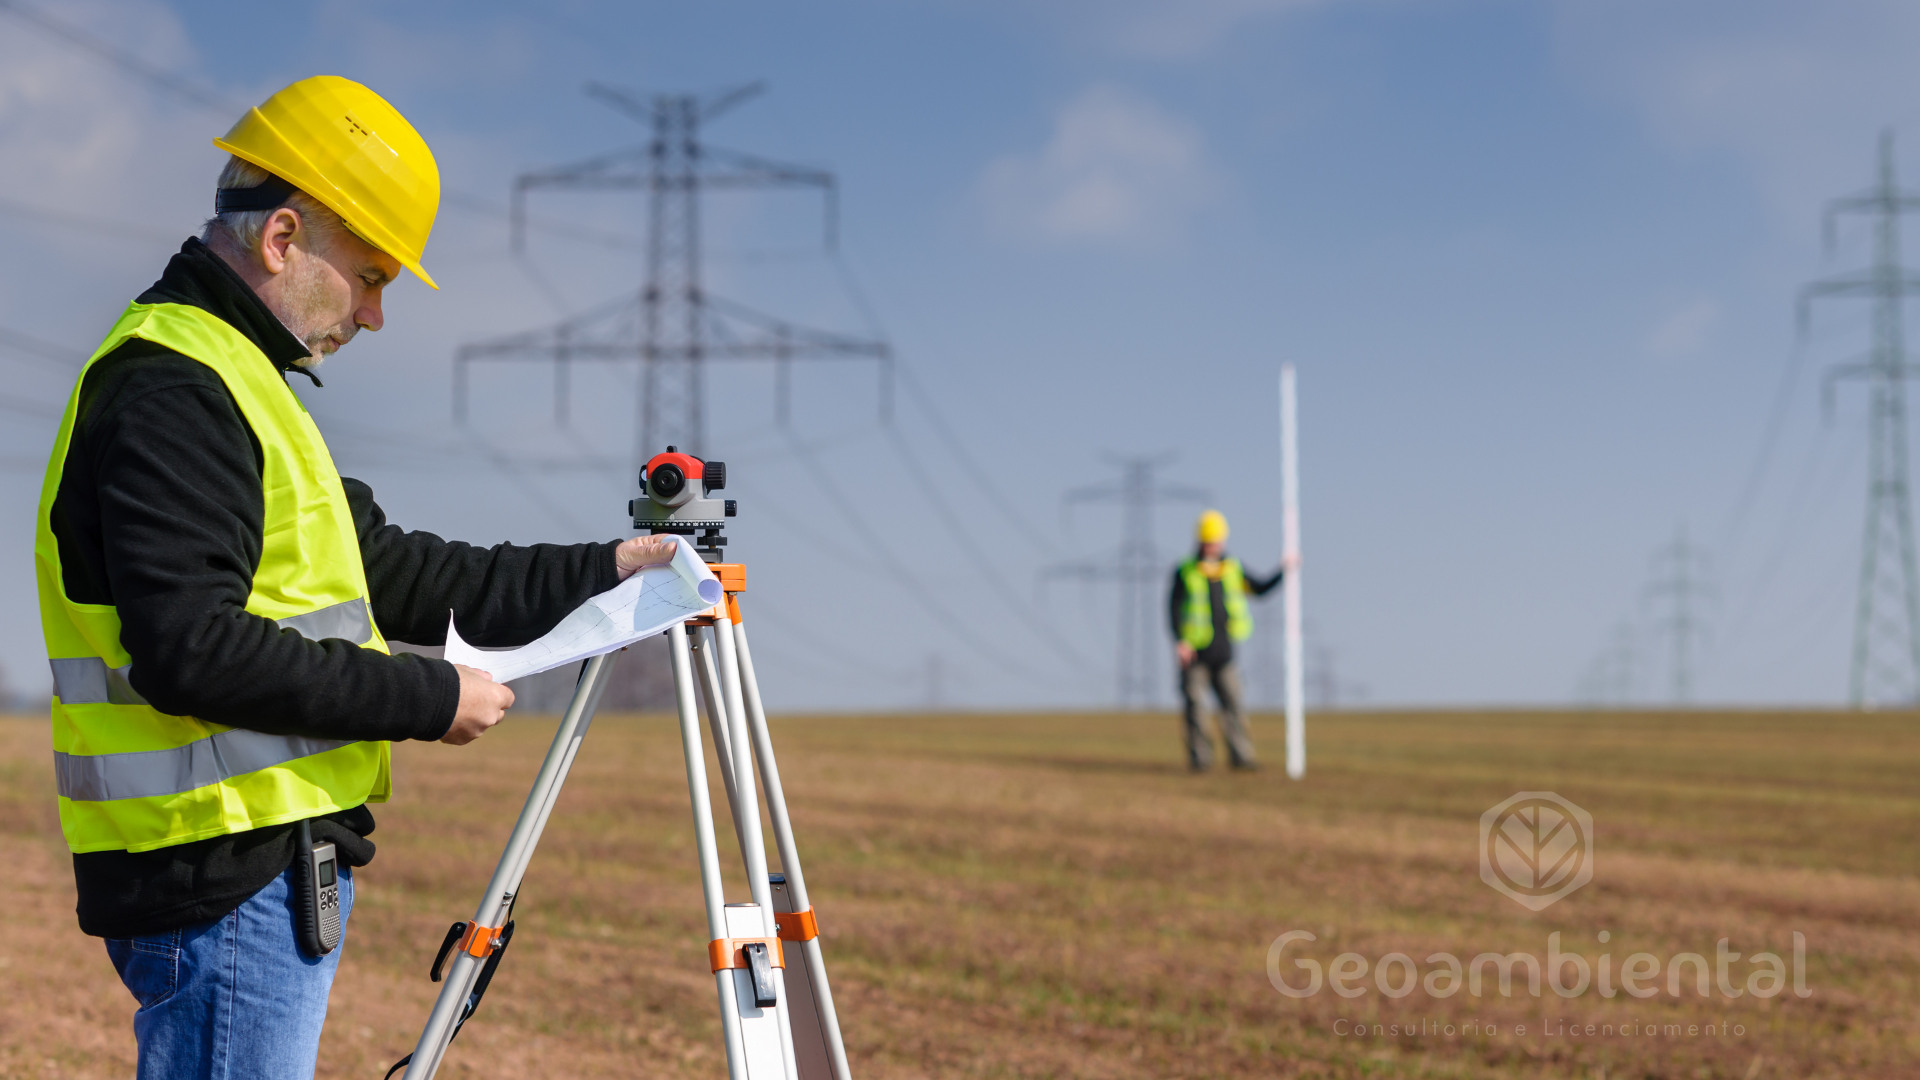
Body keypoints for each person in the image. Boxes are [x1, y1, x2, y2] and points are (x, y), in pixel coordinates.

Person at [34, 76, 679, 1077]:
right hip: (222, 865)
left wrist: (608, 569)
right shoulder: (176, 389)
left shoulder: (242, 384)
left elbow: (400, 572)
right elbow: (191, 651)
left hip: (253, 862)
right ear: (282, 238)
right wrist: (428, 697)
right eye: (371, 276)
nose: (377, 315)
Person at [1168, 510, 1287, 771]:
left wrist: (1284, 571)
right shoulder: (1185, 571)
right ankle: (1201, 760)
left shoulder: (1233, 569)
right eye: (1208, 541)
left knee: (1234, 707)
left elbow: (1259, 589)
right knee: (1196, 709)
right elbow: (1173, 609)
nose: (1213, 546)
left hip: (1224, 653)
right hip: (1195, 653)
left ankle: (1241, 757)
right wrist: (1180, 642)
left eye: (1216, 541)